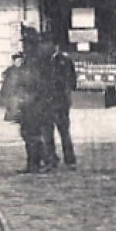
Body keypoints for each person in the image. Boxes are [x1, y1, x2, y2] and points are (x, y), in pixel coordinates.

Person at [14, 28, 58, 172]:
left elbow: (43, 81)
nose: (24, 46)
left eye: (27, 43)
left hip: (40, 102)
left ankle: (48, 161)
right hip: (30, 102)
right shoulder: (28, 59)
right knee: (28, 133)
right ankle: (33, 163)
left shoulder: (40, 59)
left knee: (41, 133)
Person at [46, 41, 78, 169]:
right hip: (48, 102)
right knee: (48, 131)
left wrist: (66, 91)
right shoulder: (44, 61)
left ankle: (70, 159)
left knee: (64, 131)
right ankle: (52, 158)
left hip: (61, 102)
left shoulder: (64, 60)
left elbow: (73, 79)